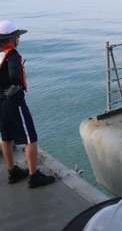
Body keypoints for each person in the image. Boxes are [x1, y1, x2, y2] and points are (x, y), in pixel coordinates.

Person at [0, 20, 55, 188]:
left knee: (6, 138)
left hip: (0, 103)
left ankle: (12, 172)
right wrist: (15, 85)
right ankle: (34, 176)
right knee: (31, 138)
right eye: (17, 36)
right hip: (14, 102)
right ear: (13, 38)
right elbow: (14, 74)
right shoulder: (12, 54)